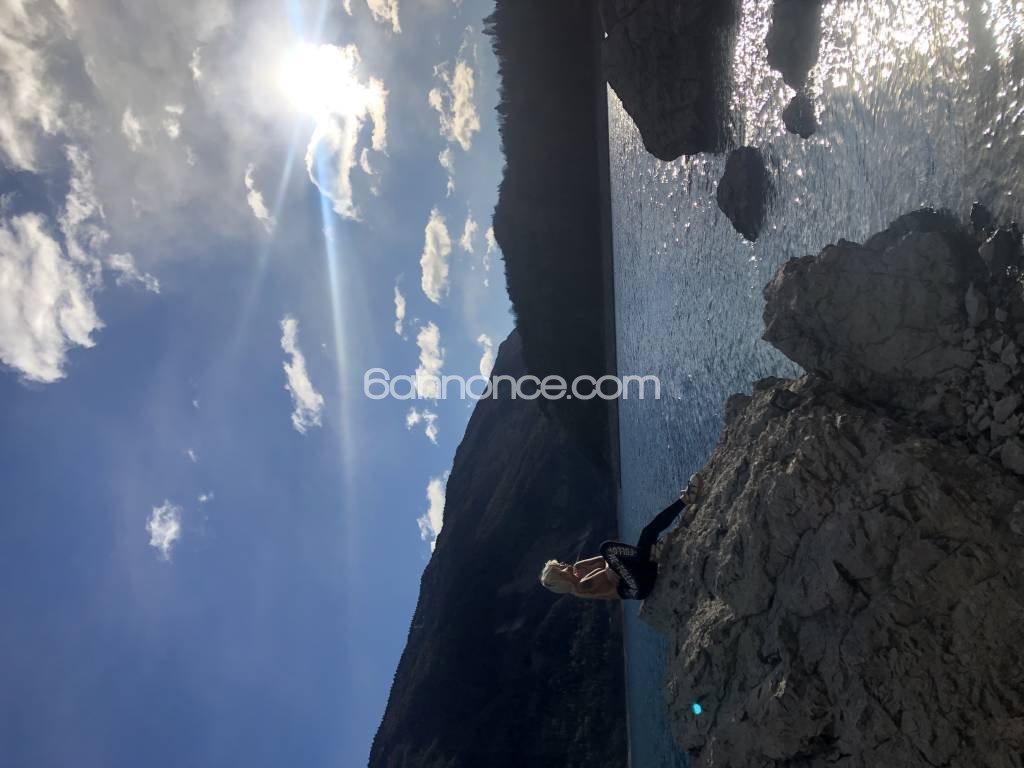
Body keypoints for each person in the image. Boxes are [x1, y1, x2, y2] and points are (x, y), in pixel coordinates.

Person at [539, 474, 703, 601]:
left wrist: (609, 568)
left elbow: (607, 561)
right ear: (561, 578)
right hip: (637, 587)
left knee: (647, 532)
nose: (562, 564)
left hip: (639, 572)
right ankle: (650, 554)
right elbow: (608, 567)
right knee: (606, 548)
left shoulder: (578, 567)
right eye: (559, 567)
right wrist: (609, 568)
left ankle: (686, 499)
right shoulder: (582, 587)